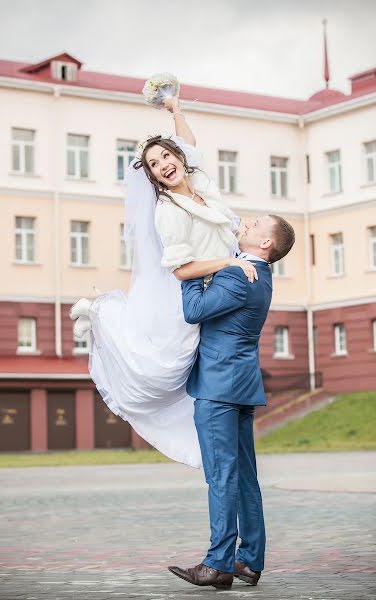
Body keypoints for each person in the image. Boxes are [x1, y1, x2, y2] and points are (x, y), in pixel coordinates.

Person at [69, 96, 256, 468]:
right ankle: (102, 311)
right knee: (163, 368)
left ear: (179, 159)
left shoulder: (200, 181)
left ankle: (101, 310)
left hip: (212, 285)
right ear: (152, 177)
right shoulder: (168, 211)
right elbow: (182, 270)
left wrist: (175, 111)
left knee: (177, 366)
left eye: (166, 157)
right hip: (186, 290)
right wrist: (230, 263)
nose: (163, 165)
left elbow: (189, 141)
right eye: (153, 165)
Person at [168, 214, 295, 590]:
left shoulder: (239, 273)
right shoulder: (260, 275)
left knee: (222, 475)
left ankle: (219, 563)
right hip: (239, 385)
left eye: (257, 224)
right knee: (243, 477)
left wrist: (191, 273)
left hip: (219, 388)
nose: (248, 222)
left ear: (266, 243)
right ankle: (249, 561)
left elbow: (194, 311)